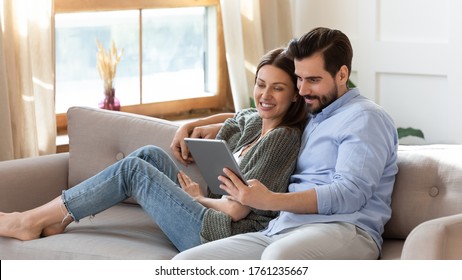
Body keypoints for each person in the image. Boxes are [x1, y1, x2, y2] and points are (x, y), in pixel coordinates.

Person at [0, 48, 307, 252]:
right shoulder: (257, 122)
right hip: (208, 211)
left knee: (134, 170)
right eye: (260, 84)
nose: (265, 95)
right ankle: (59, 218)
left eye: (277, 88)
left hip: (220, 232)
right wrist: (192, 125)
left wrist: (198, 197)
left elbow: (239, 209)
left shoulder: (281, 138)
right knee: (149, 154)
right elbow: (237, 115)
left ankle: (28, 221)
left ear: (295, 94)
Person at [171, 27, 399, 260]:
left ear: (342, 75)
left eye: (313, 80)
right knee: (186, 262)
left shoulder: (365, 117)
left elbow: (350, 194)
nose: (302, 89)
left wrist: (269, 199)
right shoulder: (314, 112)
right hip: (283, 228)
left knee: (277, 259)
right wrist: (196, 125)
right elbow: (255, 114)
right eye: (299, 78)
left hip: (345, 228)